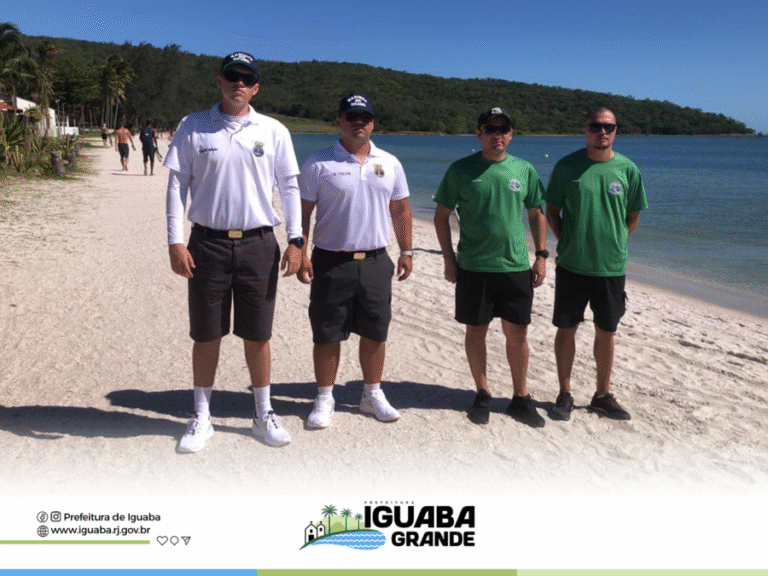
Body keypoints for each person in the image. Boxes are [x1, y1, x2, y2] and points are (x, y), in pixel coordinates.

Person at [164, 51, 304, 452]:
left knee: (258, 333)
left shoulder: (273, 130)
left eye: (246, 79)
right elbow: (177, 186)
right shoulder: (193, 125)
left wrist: (296, 239)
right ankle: (201, 416)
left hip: (259, 244)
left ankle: (263, 413)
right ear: (219, 81)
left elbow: (289, 186)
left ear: (255, 87)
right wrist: (175, 241)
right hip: (206, 242)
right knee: (206, 333)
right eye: (231, 76)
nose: (238, 84)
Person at [297, 93, 413, 429]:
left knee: (376, 330)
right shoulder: (318, 162)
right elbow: (302, 213)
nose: (357, 123)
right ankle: (324, 397)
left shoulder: (389, 162)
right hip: (331, 261)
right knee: (327, 332)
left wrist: (407, 251)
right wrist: (300, 253)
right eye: (351, 117)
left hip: (376, 260)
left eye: (364, 118)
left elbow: (400, 210)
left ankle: (371, 393)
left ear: (372, 123)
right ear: (339, 121)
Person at [434, 107, 548, 428]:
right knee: (476, 331)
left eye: (503, 129)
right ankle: (482, 393)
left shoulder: (523, 169)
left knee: (518, 333)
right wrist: (449, 260)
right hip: (474, 267)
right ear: (479, 134)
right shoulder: (461, 170)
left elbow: (536, 213)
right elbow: (441, 217)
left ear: (510, 135)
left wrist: (541, 255)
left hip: (515, 266)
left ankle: (520, 397)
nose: (497, 135)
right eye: (491, 129)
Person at [545, 106, 648, 421]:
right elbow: (552, 210)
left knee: (606, 331)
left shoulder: (627, 169)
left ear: (615, 131)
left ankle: (602, 394)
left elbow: (632, 216)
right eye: (595, 126)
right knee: (566, 329)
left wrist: (615, 242)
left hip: (610, 268)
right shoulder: (567, 166)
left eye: (609, 126)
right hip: (572, 265)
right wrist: (568, 240)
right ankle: (565, 393)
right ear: (585, 129)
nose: (602, 131)